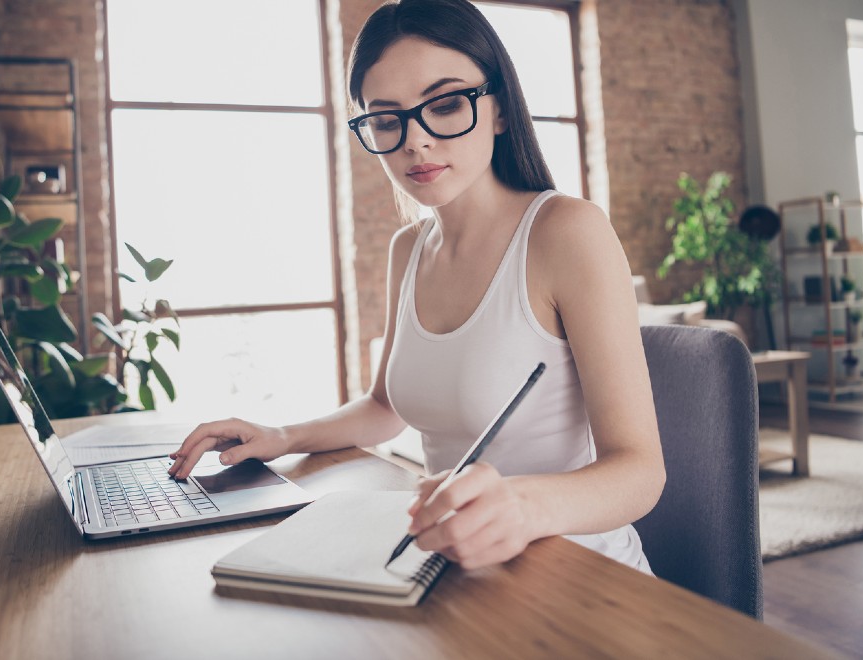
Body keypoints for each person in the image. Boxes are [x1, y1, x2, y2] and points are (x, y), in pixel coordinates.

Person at [169, 0, 665, 573]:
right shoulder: (408, 250)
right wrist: (282, 435)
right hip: (447, 569)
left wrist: (524, 506)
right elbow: (385, 409)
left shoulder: (567, 232)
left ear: (500, 109)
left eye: (447, 104)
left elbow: (640, 471)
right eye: (386, 118)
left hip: (579, 575)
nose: (416, 142)